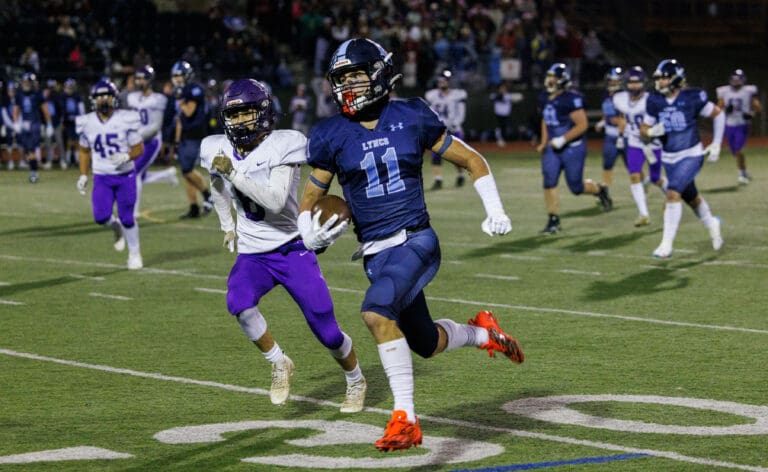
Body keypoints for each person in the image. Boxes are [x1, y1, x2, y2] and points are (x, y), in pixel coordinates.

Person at [297, 38, 524, 452]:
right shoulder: (330, 134)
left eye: (357, 76)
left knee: (375, 311)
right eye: (341, 80)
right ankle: (482, 332)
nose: (348, 87)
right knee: (424, 343)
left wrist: (495, 209)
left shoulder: (411, 116)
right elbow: (310, 203)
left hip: (416, 239)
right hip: (375, 254)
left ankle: (406, 418)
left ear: (381, 73)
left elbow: (473, 159)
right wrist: (309, 234)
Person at [200, 78, 367, 412]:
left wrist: (234, 174)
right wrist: (227, 225)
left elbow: (275, 201)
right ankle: (279, 362)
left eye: (247, 113)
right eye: (233, 115)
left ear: (263, 112)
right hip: (252, 252)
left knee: (327, 330)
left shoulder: (284, 144)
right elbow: (216, 186)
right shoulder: (214, 147)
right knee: (238, 302)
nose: (240, 121)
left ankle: (356, 379)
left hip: (292, 246)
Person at [641, 59, 724, 258]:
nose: (660, 82)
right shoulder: (654, 100)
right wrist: (652, 131)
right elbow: (643, 130)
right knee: (691, 198)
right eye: (659, 78)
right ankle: (712, 222)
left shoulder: (692, 96)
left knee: (672, 193)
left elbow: (718, 115)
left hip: (691, 155)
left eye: (664, 78)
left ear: (675, 79)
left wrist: (717, 143)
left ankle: (666, 245)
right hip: (669, 158)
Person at [75, 79, 145, 269]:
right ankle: (116, 227)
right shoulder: (87, 122)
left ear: (114, 98)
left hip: (125, 176)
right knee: (100, 217)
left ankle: (135, 254)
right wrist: (83, 175)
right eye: (99, 97)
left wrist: (126, 156)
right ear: (93, 100)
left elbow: (139, 148)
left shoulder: (125, 119)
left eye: (107, 96)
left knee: (128, 217)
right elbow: (83, 150)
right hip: (102, 176)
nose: (103, 100)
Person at [536, 63, 612, 235]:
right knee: (549, 181)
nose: (549, 80)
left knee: (576, 187)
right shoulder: (543, 97)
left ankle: (600, 190)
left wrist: (562, 139)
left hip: (573, 148)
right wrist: (544, 141)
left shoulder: (571, 98)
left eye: (553, 77)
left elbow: (583, 125)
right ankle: (553, 220)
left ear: (562, 81)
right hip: (552, 148)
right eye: (549, 76)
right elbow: (545, 119)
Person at [612, 66, 667, 227]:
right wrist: (622, 134)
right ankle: (643, 214)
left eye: (637, 83)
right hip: (635, 142)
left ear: (643, 83)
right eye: (630, 83)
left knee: (656, 178)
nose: (634, 86)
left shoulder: (652, 99)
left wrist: (656, 131)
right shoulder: (620, 98)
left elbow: (663, 118)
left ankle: (669, 197)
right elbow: (622, 116)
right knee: (634, 175)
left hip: (653, 142)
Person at [126, 65, 178, 217]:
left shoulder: (158, 99)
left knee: (134, 172)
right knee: (139, 174)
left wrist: (137, 136)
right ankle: (166, 175)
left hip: (151, 142)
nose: (139, 81)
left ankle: (133, 211)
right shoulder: (132, 97)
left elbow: (155, 127)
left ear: (149, 80)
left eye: (142, 78)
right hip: (137, 140)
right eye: (138, 78)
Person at [170, 60, 214, 219]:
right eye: (174, 75)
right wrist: (176, 140)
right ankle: (194, 206)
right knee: (186, 173)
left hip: (195, 135)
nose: (176, 78)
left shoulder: (195, 89)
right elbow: (180, 118)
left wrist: (180, 98)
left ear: (186, 75)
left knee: (188, 169)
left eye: (178, 75)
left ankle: (208, 196)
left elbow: (188, 112)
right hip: (184, 136)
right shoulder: (181, 90)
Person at [715, 69, 761, 185]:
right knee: (734, 151)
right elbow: (717, 108)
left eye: (738, 80)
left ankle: (741, 174)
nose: (735, 82)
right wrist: (725, 109)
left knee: (739, 150)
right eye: (734, 80)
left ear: (742, 80)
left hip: (742, 124)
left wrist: (751, 114)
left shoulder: (748, 91)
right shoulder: (724, 91)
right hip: (729, 124)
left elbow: (758, 107)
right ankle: (744, 171)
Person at [424, 69, 468, 190]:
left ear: (449, 82)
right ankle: (438, 180)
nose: (441, 83)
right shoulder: (432, 95)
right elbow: (429, 112)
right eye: (440, 81)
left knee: (456, 156)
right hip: (439, 130)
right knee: (435, 155)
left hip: (454, 129)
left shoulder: (457, 95)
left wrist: (456, 123)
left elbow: (461, 112)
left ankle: (460, 175)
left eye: (444, 81)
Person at [12, 72, 54, 183]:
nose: (26, 84)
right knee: (27, 150)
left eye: (27, 82)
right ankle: (33, 170)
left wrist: (49, 124)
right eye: (24, 82)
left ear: (31, 83)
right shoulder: (19, 95)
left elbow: (45, 110)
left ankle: (33, 174)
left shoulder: (37, 94)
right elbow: (16, 110)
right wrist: (16, 122)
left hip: (35, 124)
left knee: (31, 149)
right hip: (24, 124)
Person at [594, 67, 624, 193]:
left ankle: (642, 186)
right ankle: (606, 190)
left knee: (633, 167)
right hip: (610, 135)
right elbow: (606, 112)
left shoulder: (624, 95)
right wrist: (602, 121)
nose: (612, 83)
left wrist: (622, 136)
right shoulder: (606, 94)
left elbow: (626, 117)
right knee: (607, 164)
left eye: (615, 81)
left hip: (624, 135)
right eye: (611, 81)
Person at [60, 78, 86, 168]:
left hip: (77, 121)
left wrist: (82, 120)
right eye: (68, 86)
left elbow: (81, 109)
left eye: (70, 87)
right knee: (69, 141)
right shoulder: (63, 97)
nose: (69, 88)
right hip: (68, 122)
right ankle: (68, 160)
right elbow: (62, 110)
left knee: (77, 142)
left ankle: (77, 161)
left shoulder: (77, 96)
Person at [489, 82, 523, 147]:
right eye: (501, 88)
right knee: (499, 127)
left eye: (504, 89)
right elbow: (493, 97)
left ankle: (504, 140)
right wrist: (501, 96)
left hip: (506, 115)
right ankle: (499, 139)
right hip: (498, 115)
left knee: (505, 128)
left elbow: (520, 97)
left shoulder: (508, 95)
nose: (503, 90)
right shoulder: (495, 95)